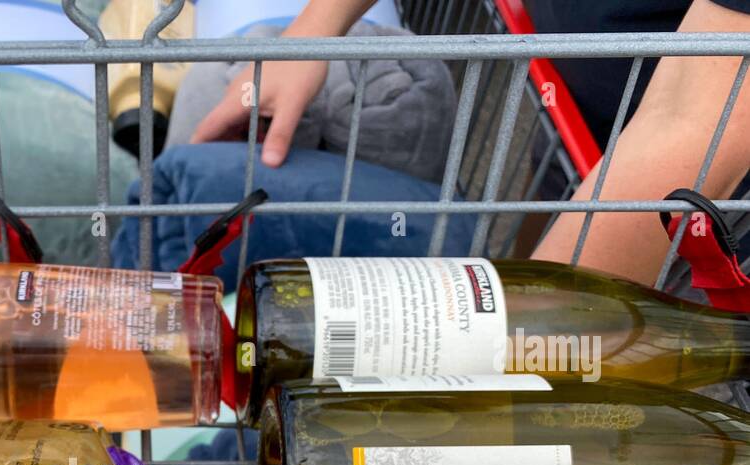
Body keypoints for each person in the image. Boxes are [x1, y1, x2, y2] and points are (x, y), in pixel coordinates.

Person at [189, 0, 750, 284]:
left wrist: (515, 353)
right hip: (575, 123)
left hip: (707, 209)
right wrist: (306, 40)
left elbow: (694, 120)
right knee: (535, 245)